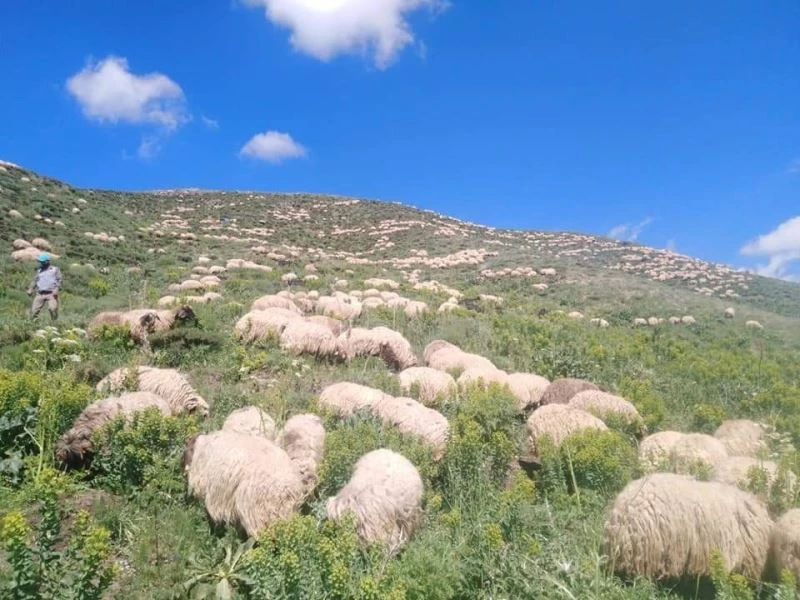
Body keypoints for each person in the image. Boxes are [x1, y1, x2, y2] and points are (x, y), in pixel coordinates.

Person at [27, 253, 62, 321]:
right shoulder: (39, 271)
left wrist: (56, 289)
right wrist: (30, 289)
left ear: (47, 261)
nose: (41, 263)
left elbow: (59, 280)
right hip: (40, 293)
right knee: (34, 311)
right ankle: (35, 324)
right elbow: (35, 280)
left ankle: (54, 322)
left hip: (52, 293)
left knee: (52, 309)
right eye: (40, 262)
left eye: (42, 262)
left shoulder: (55, 269)